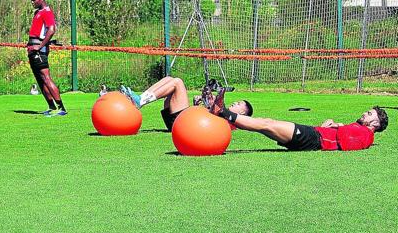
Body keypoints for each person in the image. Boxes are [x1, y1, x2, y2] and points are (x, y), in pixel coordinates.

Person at [211, 102, 389, 151]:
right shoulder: (363, 131)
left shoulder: (367, 134)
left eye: (370, 114)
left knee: (267, 123)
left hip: (312, 138)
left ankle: (223, 112)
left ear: (376, 123)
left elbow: (347, 142)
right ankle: (228, 119)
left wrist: (336, 127)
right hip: (313, 135)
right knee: (265, 125)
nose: (365, 113)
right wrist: (334, 126)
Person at [121, 76, 253, 131]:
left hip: (182, 124)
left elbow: (208, 126)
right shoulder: (224, 112)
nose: (235, 102)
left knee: (177, 82)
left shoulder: (232, 123)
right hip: (182, 123)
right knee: (169, 78)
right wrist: (197, 105)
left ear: (242, 113)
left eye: (239, 103)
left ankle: (140, 101)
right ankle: (140, 98)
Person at [27, 0, 66, 117]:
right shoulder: (37, 12)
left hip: (39, 50)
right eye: (31, 0)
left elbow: (52, 29)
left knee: (46, 78)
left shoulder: (47, 12)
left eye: (34, 0)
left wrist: (40, 46)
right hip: (32, 48)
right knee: (40, 80)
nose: (32, 2)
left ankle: (61, 108)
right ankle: (51, 107)